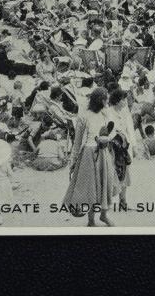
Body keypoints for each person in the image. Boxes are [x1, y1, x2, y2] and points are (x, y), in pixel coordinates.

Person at [62, 88, 119, 227]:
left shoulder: (106, 114)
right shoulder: (84, 116)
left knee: (106, 183)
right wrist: (73, 161)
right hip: (88, 153)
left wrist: (107, 139)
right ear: (100, 100)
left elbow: (112, 132)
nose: (107, 101)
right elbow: (77, 141)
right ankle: (91, 220)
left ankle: (104, 216)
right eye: (105, 99)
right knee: (90, 188)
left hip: (104, 151)